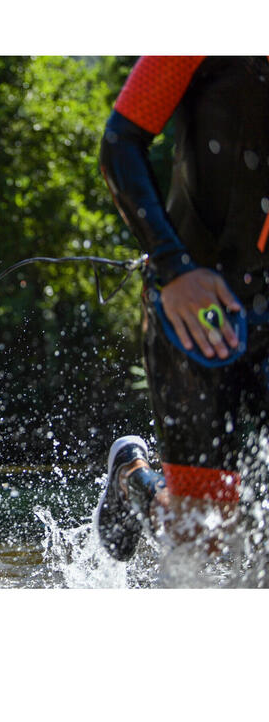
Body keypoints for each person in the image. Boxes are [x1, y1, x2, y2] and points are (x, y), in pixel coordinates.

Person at [94, 56, 269, 577]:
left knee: (255, 545)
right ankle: (134, 477)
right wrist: (174, 270)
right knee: (200, 543)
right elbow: (119, 144)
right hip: (195, 307)